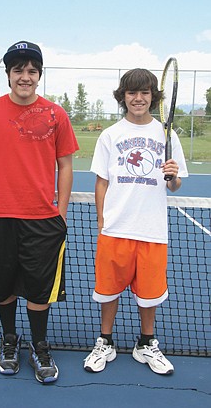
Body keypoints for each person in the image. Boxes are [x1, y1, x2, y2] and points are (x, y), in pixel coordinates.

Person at [0, 40, 79, 384]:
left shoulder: (56, 114)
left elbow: (65, 166)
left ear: (39, 76)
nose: (25, 76)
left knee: (39, 290)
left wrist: (61, 213)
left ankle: (39, 345)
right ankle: (9, 340)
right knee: (1, 286)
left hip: (42, 219)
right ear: (8, 75)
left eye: (31, 70)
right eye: (18, 70)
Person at [83, 68, 188, 375]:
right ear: (123, 97)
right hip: (116, 228)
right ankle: (105, 341)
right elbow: (101, 182)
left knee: (150, 293)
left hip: (152, 230)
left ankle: (146, 343)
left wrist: (173, 176)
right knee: (108, 290)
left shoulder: (167, 135)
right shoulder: (111, 135)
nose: (138, 98)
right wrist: (103, 221)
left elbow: (175, 185)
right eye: (132, 93)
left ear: (154, 97)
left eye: (144, 92)